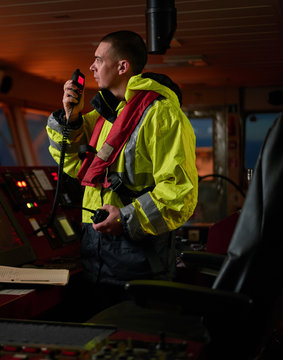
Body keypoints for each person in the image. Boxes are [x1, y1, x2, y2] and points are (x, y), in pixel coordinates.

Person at [46, 30, 198, 317]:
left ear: (122, 66)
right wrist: (72, 117)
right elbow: (71, 162)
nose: (91, 67)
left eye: (98, 60)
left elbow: (180, 192)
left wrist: (127, 219)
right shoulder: (104, 116)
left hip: (139, 258)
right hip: (96, 253)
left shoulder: (161, 114)